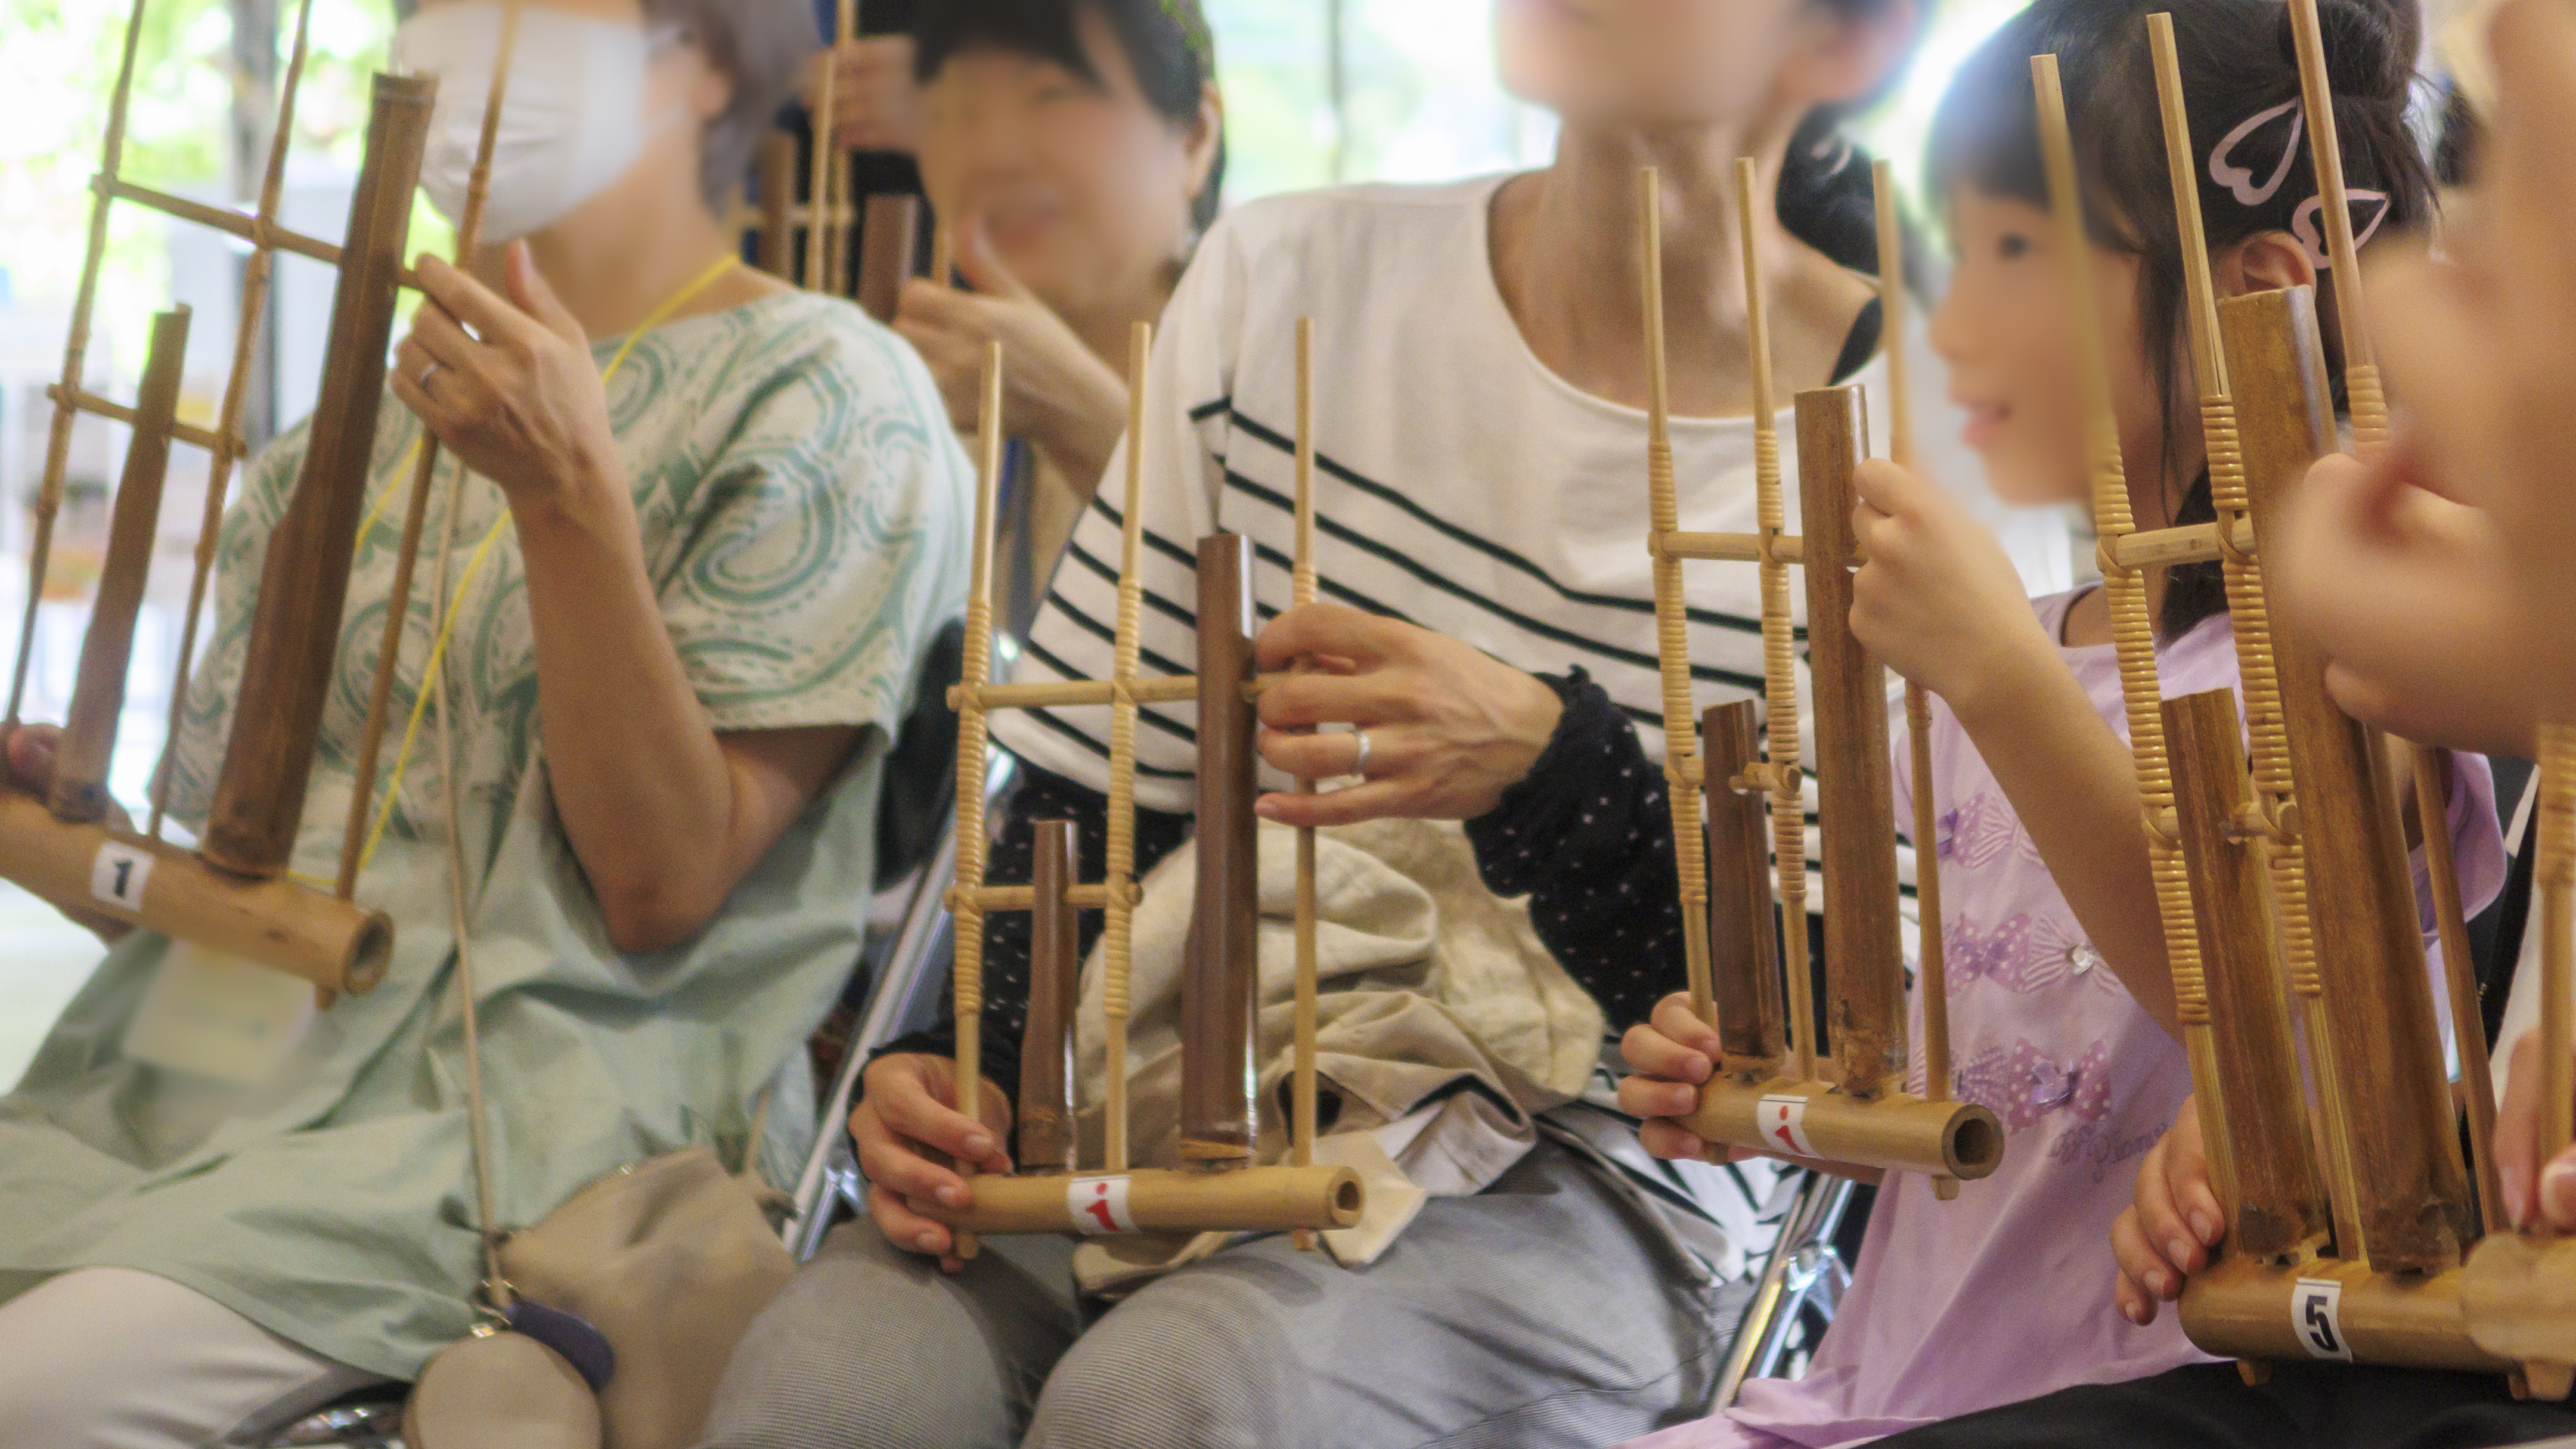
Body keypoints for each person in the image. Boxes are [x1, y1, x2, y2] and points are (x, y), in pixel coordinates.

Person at [0, 0, 969, 1441]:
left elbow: (661, 886)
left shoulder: (829, 394)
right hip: (173, 1093)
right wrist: (77, 842)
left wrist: (568, 494)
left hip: (537, 1140)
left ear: (703, 50)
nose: (452, 34)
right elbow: (225, 908)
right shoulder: (335, 442)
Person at [1614, 1, 2504, 1445]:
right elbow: (2000, 1029)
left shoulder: (2375, 674)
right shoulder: (2021, 650)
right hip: (1877, 1389)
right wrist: (1775, 1076)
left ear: (2260, 291)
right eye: (1953, 253)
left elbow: (2263, 1022)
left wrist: (1996, 678)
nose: (1951, 317)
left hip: (2148, 1395)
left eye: (2015, 254)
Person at [891, 0, 1224, 616]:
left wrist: (1080, 414)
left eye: (1051, 96)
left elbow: (1315, 638)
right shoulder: (921, 400)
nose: (996, 154)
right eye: (958, 112)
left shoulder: (1291, 367)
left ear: (1195, 135)